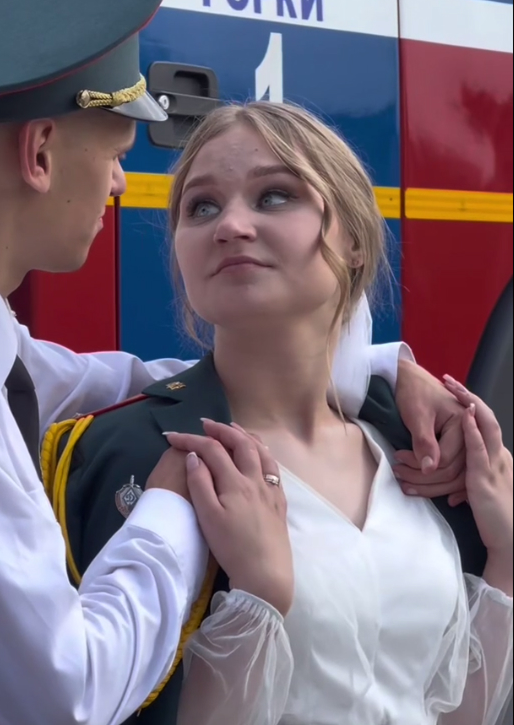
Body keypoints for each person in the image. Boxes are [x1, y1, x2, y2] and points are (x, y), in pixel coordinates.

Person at [0, 0, 474, 725]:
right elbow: (59, 696)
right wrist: (173, 511)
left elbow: (109, 376)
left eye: (273, 197)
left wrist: (376, 365)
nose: (116, 183)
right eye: (117, 151)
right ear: (40, 152)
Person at [53, 102, 513, 725]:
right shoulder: (132, 455)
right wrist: (256, 599)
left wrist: (507, 555)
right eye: (201, 207)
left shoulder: (421, 449)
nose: (230, 225)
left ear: (354, 240)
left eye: (274, 196)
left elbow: (454, 707)